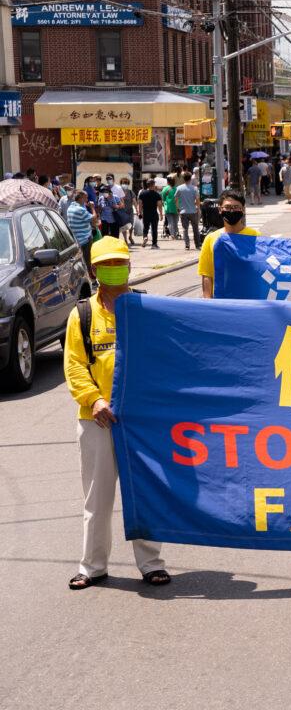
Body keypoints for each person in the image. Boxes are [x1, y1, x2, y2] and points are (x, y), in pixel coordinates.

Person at [64, 236, 169, 590]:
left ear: (129, 267)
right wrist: (94, 400)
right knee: (98, 497)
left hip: (141, 420)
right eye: (106, 265)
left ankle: (151, 563)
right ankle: (92, 566)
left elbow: (162, 358)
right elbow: (75, 365)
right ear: (94, 271)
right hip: (97, 418)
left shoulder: (144, 308)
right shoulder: (81, 315)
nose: (113, 270)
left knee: (144, 494)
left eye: (119, 264)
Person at [198, 190, 260, 299]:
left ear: (243, 210)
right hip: (221, 301)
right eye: (227, 207)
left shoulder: (256, 237)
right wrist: (208, 303)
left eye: (236, 207)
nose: (232, 211)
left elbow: (261, 268)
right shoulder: (211, 239)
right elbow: (207, 274)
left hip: (249, 299)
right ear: (220, 210)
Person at [65, 190, 97, 275]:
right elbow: (94, 218)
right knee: (88, 261)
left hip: (77, 239)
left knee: (80, 261)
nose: (87, 199)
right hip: (85, 239)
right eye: (86, 197)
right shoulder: (80, 210)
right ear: (81, 198)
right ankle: (92, 281)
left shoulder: (71, 207)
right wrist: (92, 207)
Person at [175, 171, 200, 250]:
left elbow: (175, 199)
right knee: (195, 229)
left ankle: (187, 245)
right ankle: (197, 245)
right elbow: (197, 200)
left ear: (183, 179)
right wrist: (198, 208)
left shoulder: (179, 188)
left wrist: (178, 208)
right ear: (190, 179)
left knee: (185, 229)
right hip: (193, 211)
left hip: (183, 211)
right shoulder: (194, 188)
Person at [136, 179, 162, 249]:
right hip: (154, 213)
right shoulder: (157, 194)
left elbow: (140, 204)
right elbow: (159, 205)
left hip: (146, 213)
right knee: (154, 229)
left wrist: (139, 212)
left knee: (146, 227)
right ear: (153, 185)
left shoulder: (142, 193)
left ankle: (145, 237)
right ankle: (154, 244)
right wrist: (161, 214)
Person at [161, 174, 178, 240]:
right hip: (176, 207)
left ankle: (172, 235)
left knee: (170, 222)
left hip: (168, 207)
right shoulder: (177, 188)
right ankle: (175, 234)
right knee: (175, 222)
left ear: (168, 182)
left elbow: (163, 199)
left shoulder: (165, 189)